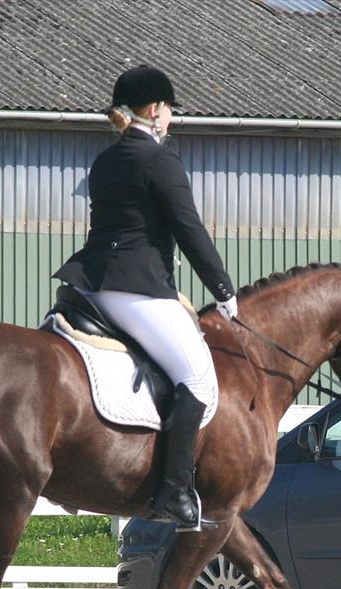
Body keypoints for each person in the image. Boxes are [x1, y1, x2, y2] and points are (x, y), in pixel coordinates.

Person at [53, 65, 238, 529]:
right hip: (135, 289)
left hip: (91, 285)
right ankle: (175, 494)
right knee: (195, 377)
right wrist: (224, 291)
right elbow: (190, 231)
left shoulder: (106, 159)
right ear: (155, 109)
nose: (171, 120)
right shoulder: (159, 160)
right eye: (170, 111)